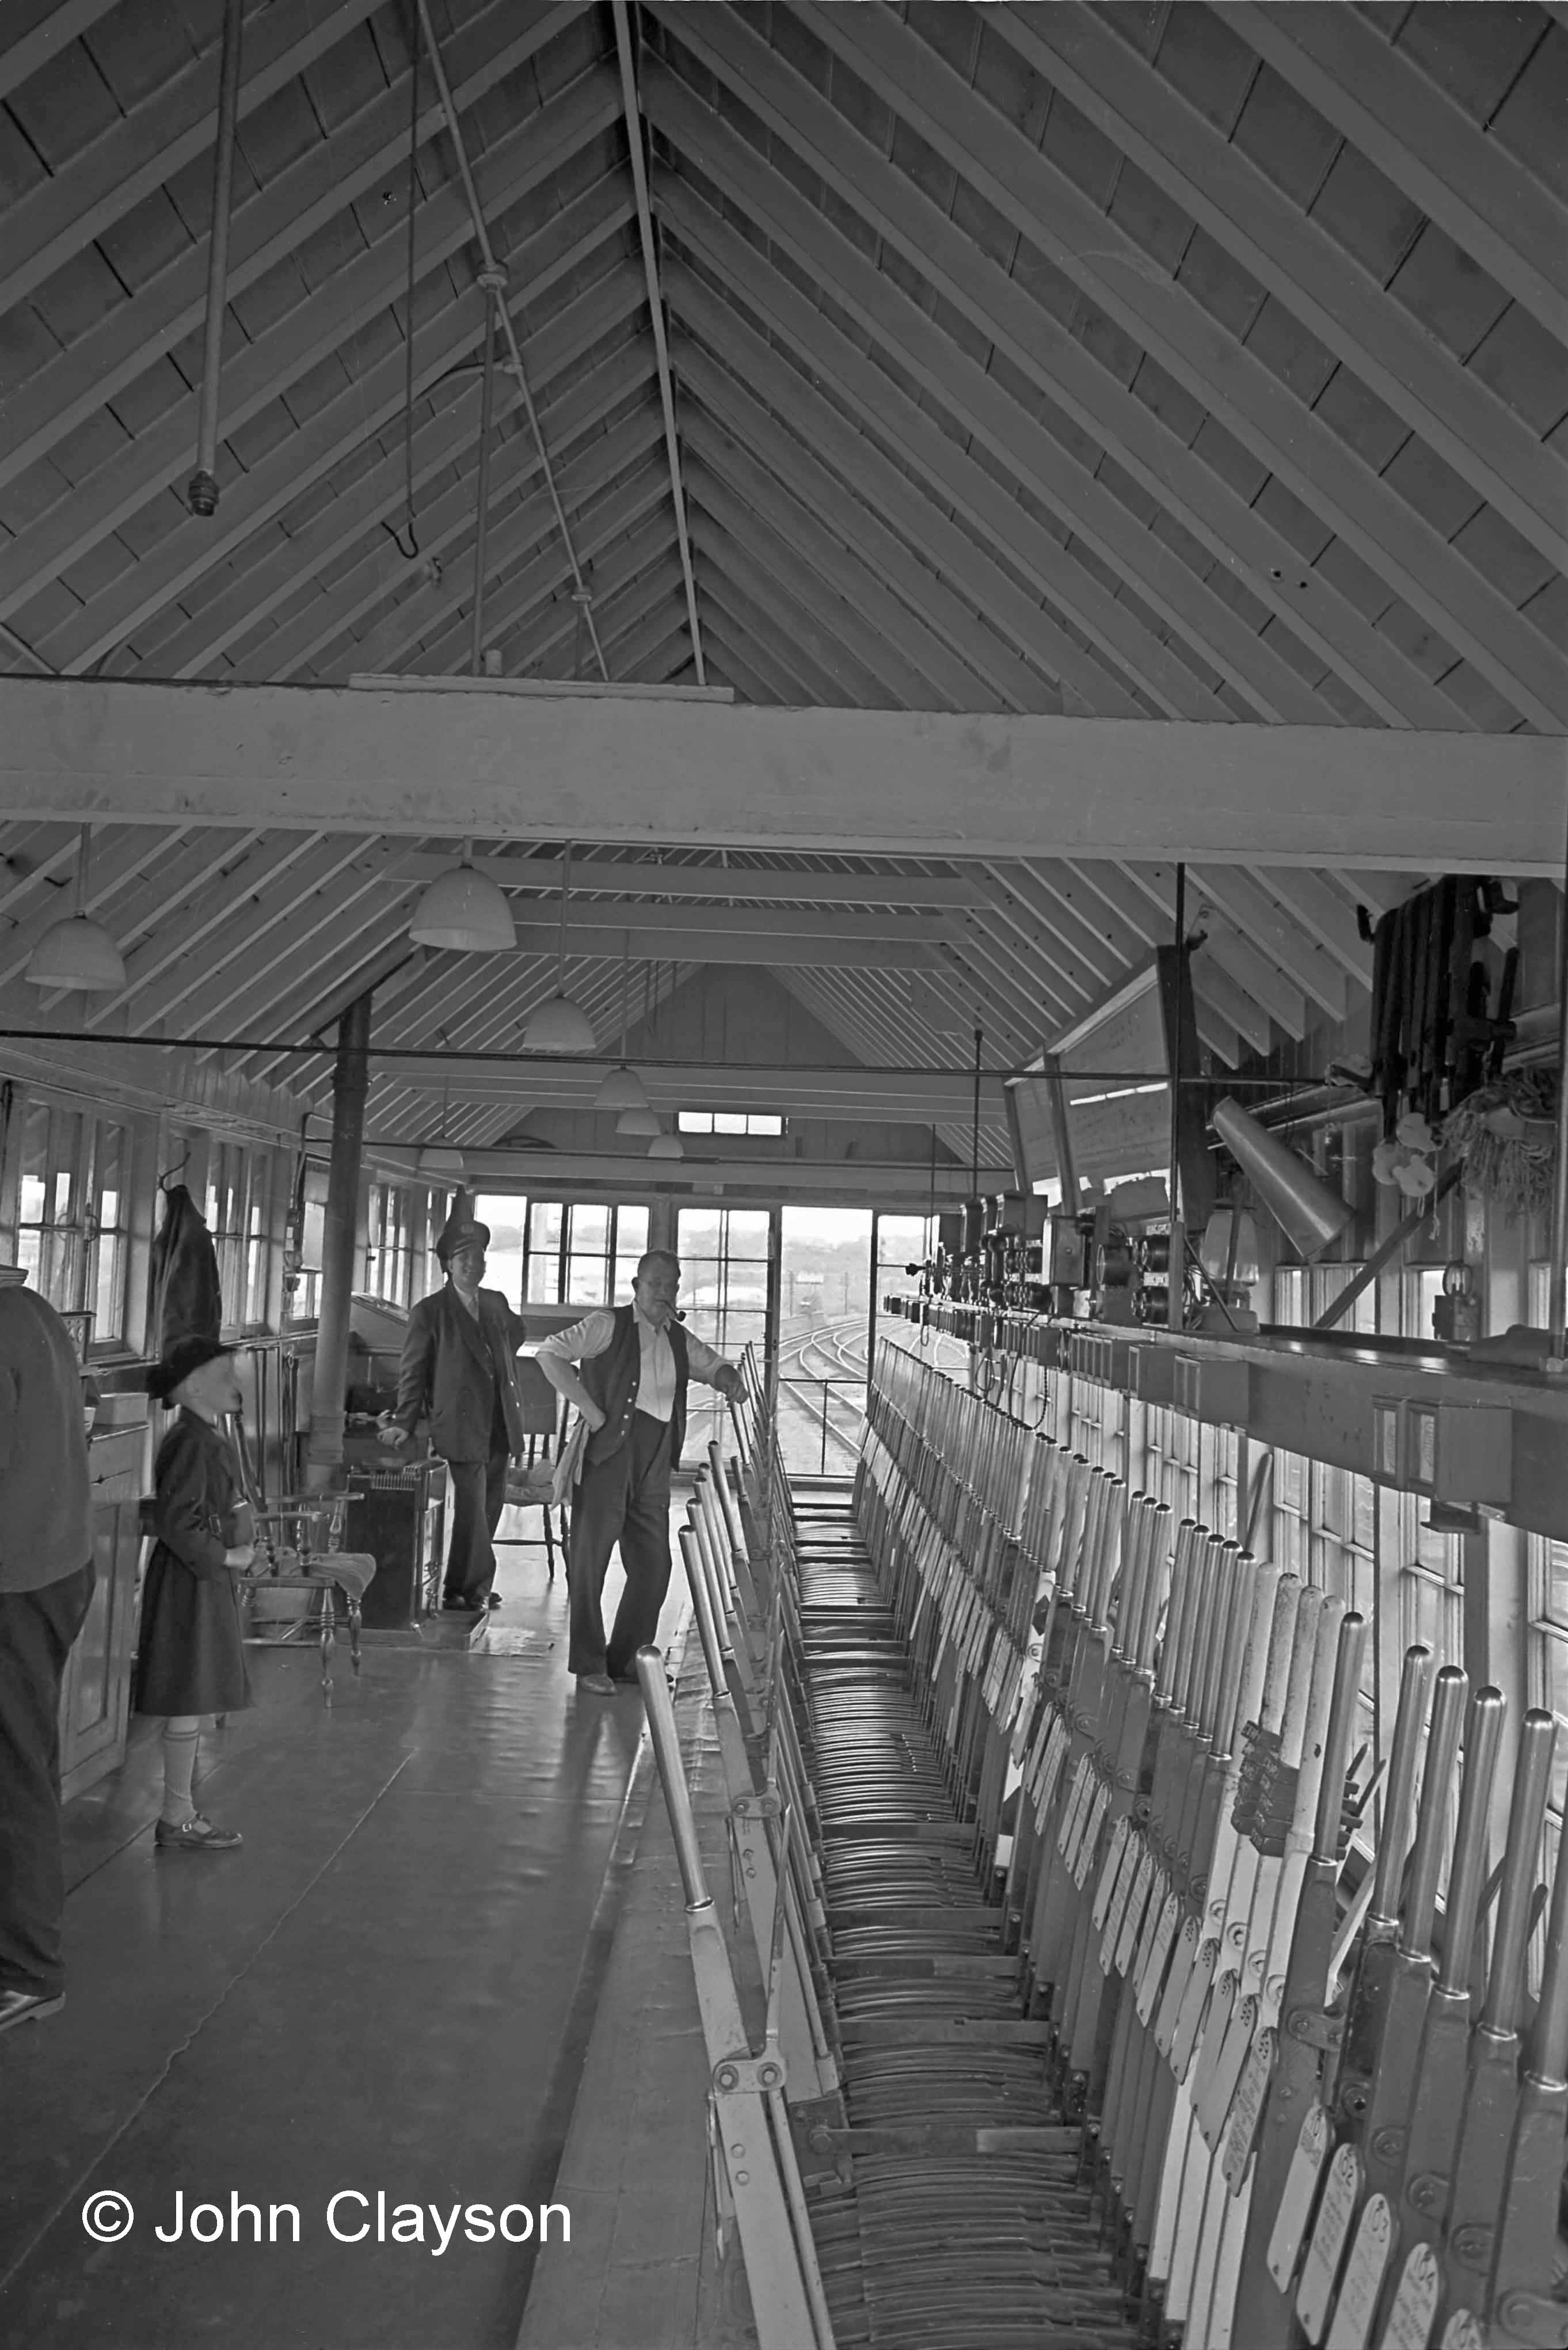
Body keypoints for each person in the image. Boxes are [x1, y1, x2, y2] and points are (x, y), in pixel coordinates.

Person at [535, 1249, 744, 1695]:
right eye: (655, 1284)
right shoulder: (606, 1326)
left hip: (654, 1462)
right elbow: (549, 1353)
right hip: (607, 1460)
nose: (664, 1293)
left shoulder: (678, 1337)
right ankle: (589, 1664)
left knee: (655, 1564)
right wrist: (590, 1411)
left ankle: (628, 1658)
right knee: (590, 1562)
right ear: (637, 1286)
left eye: (671, 1285)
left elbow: (712, 1365)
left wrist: (729, 1379)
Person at [0, 1261, 95, 2036]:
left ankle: (29, 1968)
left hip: (12, 1579)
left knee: (14, 1771)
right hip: (59, 1564)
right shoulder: (36, 1310)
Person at [380, 1191, 532, 1613]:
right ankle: (471, 1589)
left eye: (479, 1256)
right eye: (463, 1257)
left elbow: (514, 1336)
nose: (472, 1264)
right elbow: (413, 1372)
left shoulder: (496, 1303)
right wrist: (405, 1421)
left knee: (490, 1504)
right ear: (448, 1265)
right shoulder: (430, 1312)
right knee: (470, 1510)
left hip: (500, 1420)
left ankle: (466, 1585)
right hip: (460, 1424)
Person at [138, 1336, 255, 1853]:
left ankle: (178, 1811)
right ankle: (176, 1814)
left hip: (202, 1581)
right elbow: (177, 1522)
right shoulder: (190, 1441)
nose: (235, 1384)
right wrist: (226, 1557)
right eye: (224, 1374)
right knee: (187, 1689)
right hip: (191, 1582)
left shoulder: (205, 1436)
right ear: (193, 1387)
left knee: (193, 1693)